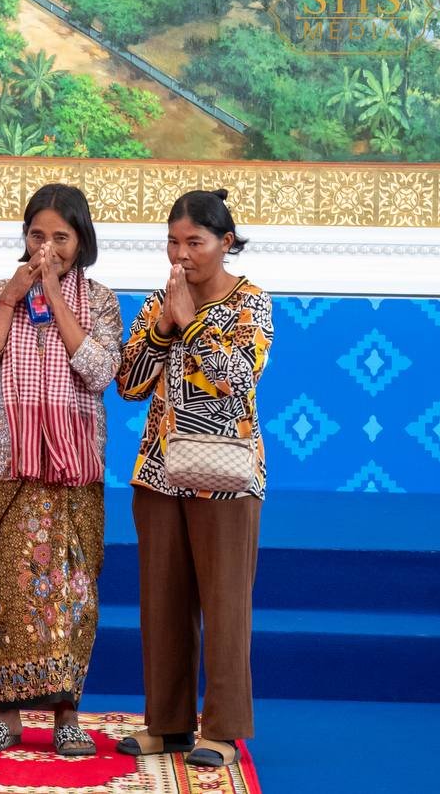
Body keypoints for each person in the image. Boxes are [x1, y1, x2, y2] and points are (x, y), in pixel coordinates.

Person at [0, 184, 121, 756]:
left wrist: (54, 295)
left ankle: (66, 717)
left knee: (72, 591)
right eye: (36, 235)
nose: (47, 247)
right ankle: (6, 716)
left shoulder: (100, 301)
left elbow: (100, 372)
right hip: (8, 462)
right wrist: (12, 298)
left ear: (82, 241)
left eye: (60, 237)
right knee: (6, 590)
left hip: (74, 466)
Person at [115, 189, 273, 768]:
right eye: (173, 242)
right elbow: (128, 384)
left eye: (195, 243)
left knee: (226, 603)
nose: (181, 255)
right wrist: (163, 325)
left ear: (225, 242)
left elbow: (238, 382)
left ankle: (224, 730)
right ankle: (169, 724)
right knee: (162, 603)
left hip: (226, 473)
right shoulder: (159, 301)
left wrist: (193, 324)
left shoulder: (251, 303)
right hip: (159, 472)